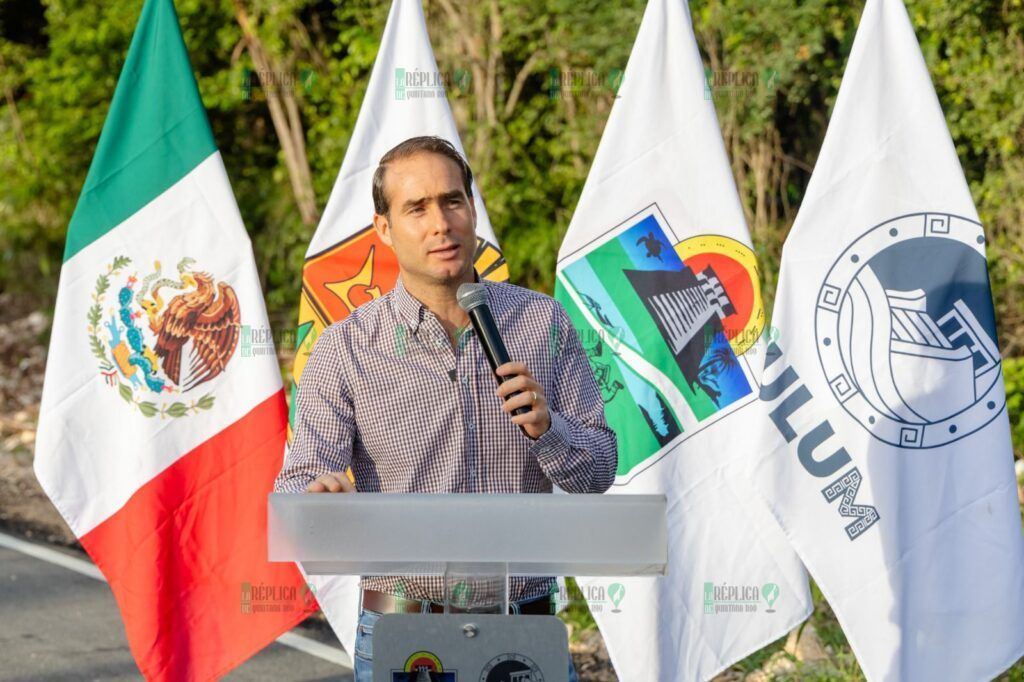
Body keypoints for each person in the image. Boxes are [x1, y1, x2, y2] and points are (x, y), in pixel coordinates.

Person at [274, 136, 617, 682]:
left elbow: (599, 470)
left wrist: (548, 430)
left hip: (524, 637)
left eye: (452, 201)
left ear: (472, 209)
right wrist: (318, 500)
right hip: (404, 640)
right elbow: (297, 486)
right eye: (417, 208)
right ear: (384, 229)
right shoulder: (345, 349)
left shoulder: (541, 323)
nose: (441, 223)